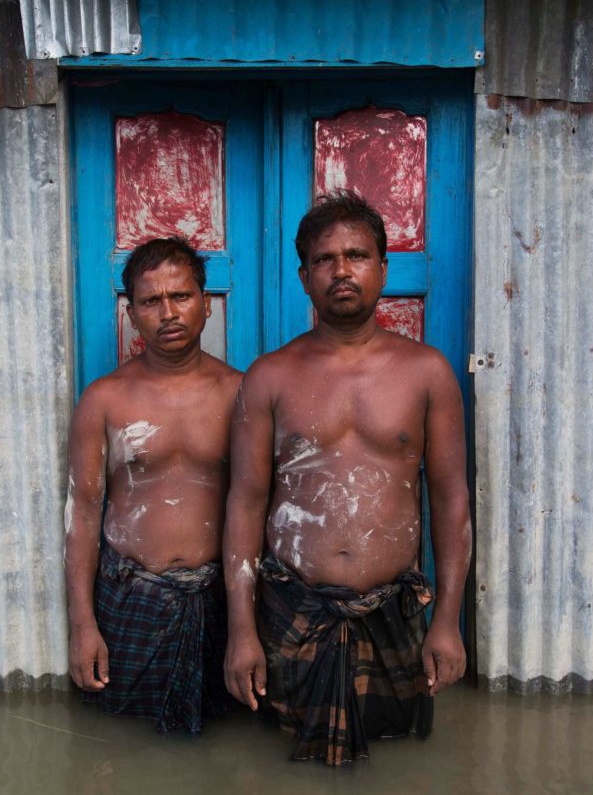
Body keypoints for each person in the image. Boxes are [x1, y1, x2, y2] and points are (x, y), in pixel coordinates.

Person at [223, 192, 472, 764]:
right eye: (325, 259)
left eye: (357, 255)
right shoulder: (269, 377)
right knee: (278, 755)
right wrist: (241, 631)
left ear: (382, 269)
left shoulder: (426, 373)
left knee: (398, 754)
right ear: (304, 276)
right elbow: (244, 503)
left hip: (393, 616)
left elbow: (452, 501)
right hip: (291, 614)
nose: (341, 270)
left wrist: (448, 622)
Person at [65, 237, 240, 733]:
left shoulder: (241, 393)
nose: (168, 312)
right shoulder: (104, 400)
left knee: (225, 739)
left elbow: (259, 509)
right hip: (129, 600)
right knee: (123, 742)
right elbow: (82, 514)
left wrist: (250, 626)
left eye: (180, 296)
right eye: (150, 300)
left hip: (217, 600)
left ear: (205, 305)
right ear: (131, 314)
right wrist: (83, 626)